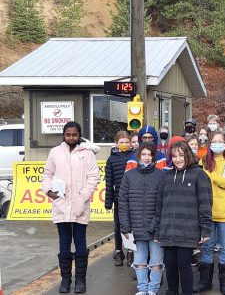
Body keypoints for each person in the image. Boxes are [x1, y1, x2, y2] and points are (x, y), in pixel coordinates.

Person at [42, 121, 101, 294]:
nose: (71, 137)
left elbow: (94, 178)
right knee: (64, 243)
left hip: (80, 205)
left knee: (81, 242)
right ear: (63, 135)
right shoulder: (55, 152)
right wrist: (49, 191)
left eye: (74, 134)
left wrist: (82, 197)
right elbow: (47, 174)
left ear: (79, 135)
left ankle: (80, 280)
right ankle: (65, 280)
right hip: (60, 205)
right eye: (68, 134)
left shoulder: (88, 154)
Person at [154, 141, 213, 295]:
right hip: (167, 230)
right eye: (174, 156)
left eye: (181, 155)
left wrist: (206, 230)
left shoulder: (199, 175)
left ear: (188, 155)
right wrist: (157, 230)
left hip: (188, 230)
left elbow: (205, 204)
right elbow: (159, 206)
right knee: (170, 264)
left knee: (183, 264)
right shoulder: (166, 176)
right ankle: (171, 291)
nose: (178, 159)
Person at [194, 131, 225, 295]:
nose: (217, 144)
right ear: (209, 143)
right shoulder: (204, 162)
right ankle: (204, 281)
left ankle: (224, 283)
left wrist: (217, 178)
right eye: (214, 141)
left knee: (224, 248)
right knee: (206, 247)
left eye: (220, 141)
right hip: (207, 213)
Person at [119, 142, 165, 295]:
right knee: (139, 262)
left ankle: (153, 289)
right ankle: (142, 289)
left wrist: (157, 225)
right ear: (138, 155)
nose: (146, 158)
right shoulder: (128, 176)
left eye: (149, 155)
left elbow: (164, 203)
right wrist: (125, 226)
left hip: (156, 228)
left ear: (154, 156)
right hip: (136, 228)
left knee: (156, 262)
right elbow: (123, 202)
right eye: (143, 154)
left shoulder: (161, 175)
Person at [105, 131, 135, 267]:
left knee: (131, 226)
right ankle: (118, 251)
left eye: (126, 142)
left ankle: (130, 251)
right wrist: (108, 201)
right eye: (121, 142)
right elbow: (109, 182)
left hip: (133, 197)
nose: (124, 145)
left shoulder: (134, 157)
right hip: (118, 198)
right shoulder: (111, 160)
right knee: (118, 226)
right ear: (116, 143)